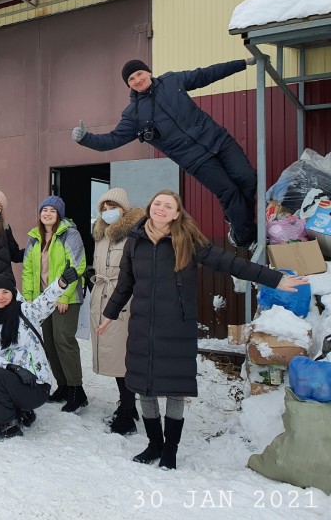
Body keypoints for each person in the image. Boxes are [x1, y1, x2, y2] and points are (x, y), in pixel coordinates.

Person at [101, 190, 308, 469]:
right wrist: (109, 314)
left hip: (176, 326)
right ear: (150, 208)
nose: (161, 209)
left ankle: (170, 450)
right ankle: (154, 444)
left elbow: (231, 263)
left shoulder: (187, 241)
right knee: (144, 388)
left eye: (168, 206)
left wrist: (275, 279)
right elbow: (125, 283)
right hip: (142, 326)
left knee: (174, 389)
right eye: (157, 204)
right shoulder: (134, 243)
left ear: (177, 214)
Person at [72, 58, 259, 249]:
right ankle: (246, 238)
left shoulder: (172, 81)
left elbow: (206, 74)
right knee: (229, 192)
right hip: (196, 160)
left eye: (139, 74)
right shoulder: (133, 115)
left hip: (219, 139)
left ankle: (234, 218)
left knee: (247, 179)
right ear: (128, 85)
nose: (137, 80)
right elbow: (112, 140)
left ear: (148, 72)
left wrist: (243, 63)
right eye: (131, 79)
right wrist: (85, 138)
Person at [0, 267, 79, 441]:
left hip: (34, 386)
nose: (1, 297)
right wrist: (14, 368)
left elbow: (45, 301)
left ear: (13, 293)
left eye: (5, 292)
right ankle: (19, 413)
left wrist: (61, 283)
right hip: (7, 383)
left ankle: (10, 427)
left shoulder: (27, 312)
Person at [21, 196, 88, 412]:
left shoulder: (70, 234)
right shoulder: (34, 237)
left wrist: (64, 296)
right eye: (44, 210)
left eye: (52, 210)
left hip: (66, 297)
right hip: (44, 299)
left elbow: (78, 267)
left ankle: (77, 390)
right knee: (48, 342)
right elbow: (28, 270)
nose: (47, 213)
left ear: (59, 214)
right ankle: (64, 386)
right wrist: (30, 298)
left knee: (63, 340)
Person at [88, 188, 146, 436]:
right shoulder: (101, 235)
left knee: (123, 357)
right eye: (104, 208)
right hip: (101, 298)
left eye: (113, 207)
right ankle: (127, 405)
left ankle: (127, 414)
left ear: (124, 209)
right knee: (112, 356)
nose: (108, 212)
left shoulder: (136, 233)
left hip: (124, 301)